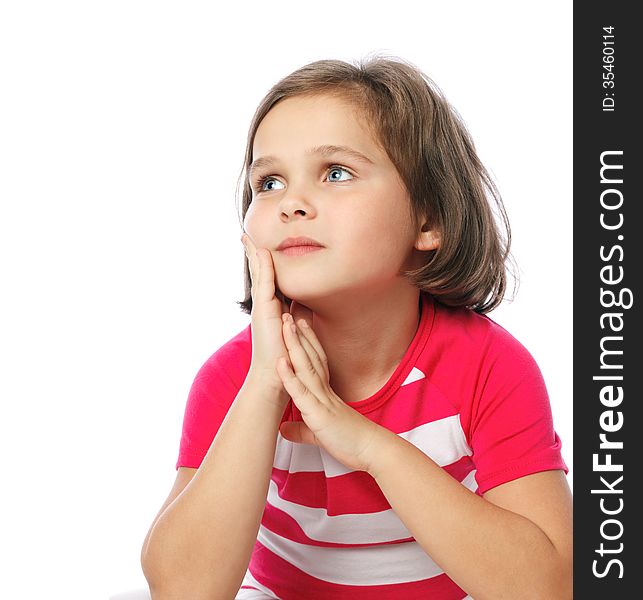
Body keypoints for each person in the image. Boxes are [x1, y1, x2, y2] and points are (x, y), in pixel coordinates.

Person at [140, 55, 573, 600]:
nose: (291, 203)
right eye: (269, 182)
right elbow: (181, 590)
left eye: (335, 173)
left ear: (429, 220)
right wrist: (266, 388)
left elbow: (548, 586)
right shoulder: (233, 378)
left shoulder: (489, 366)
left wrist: (367, 443)